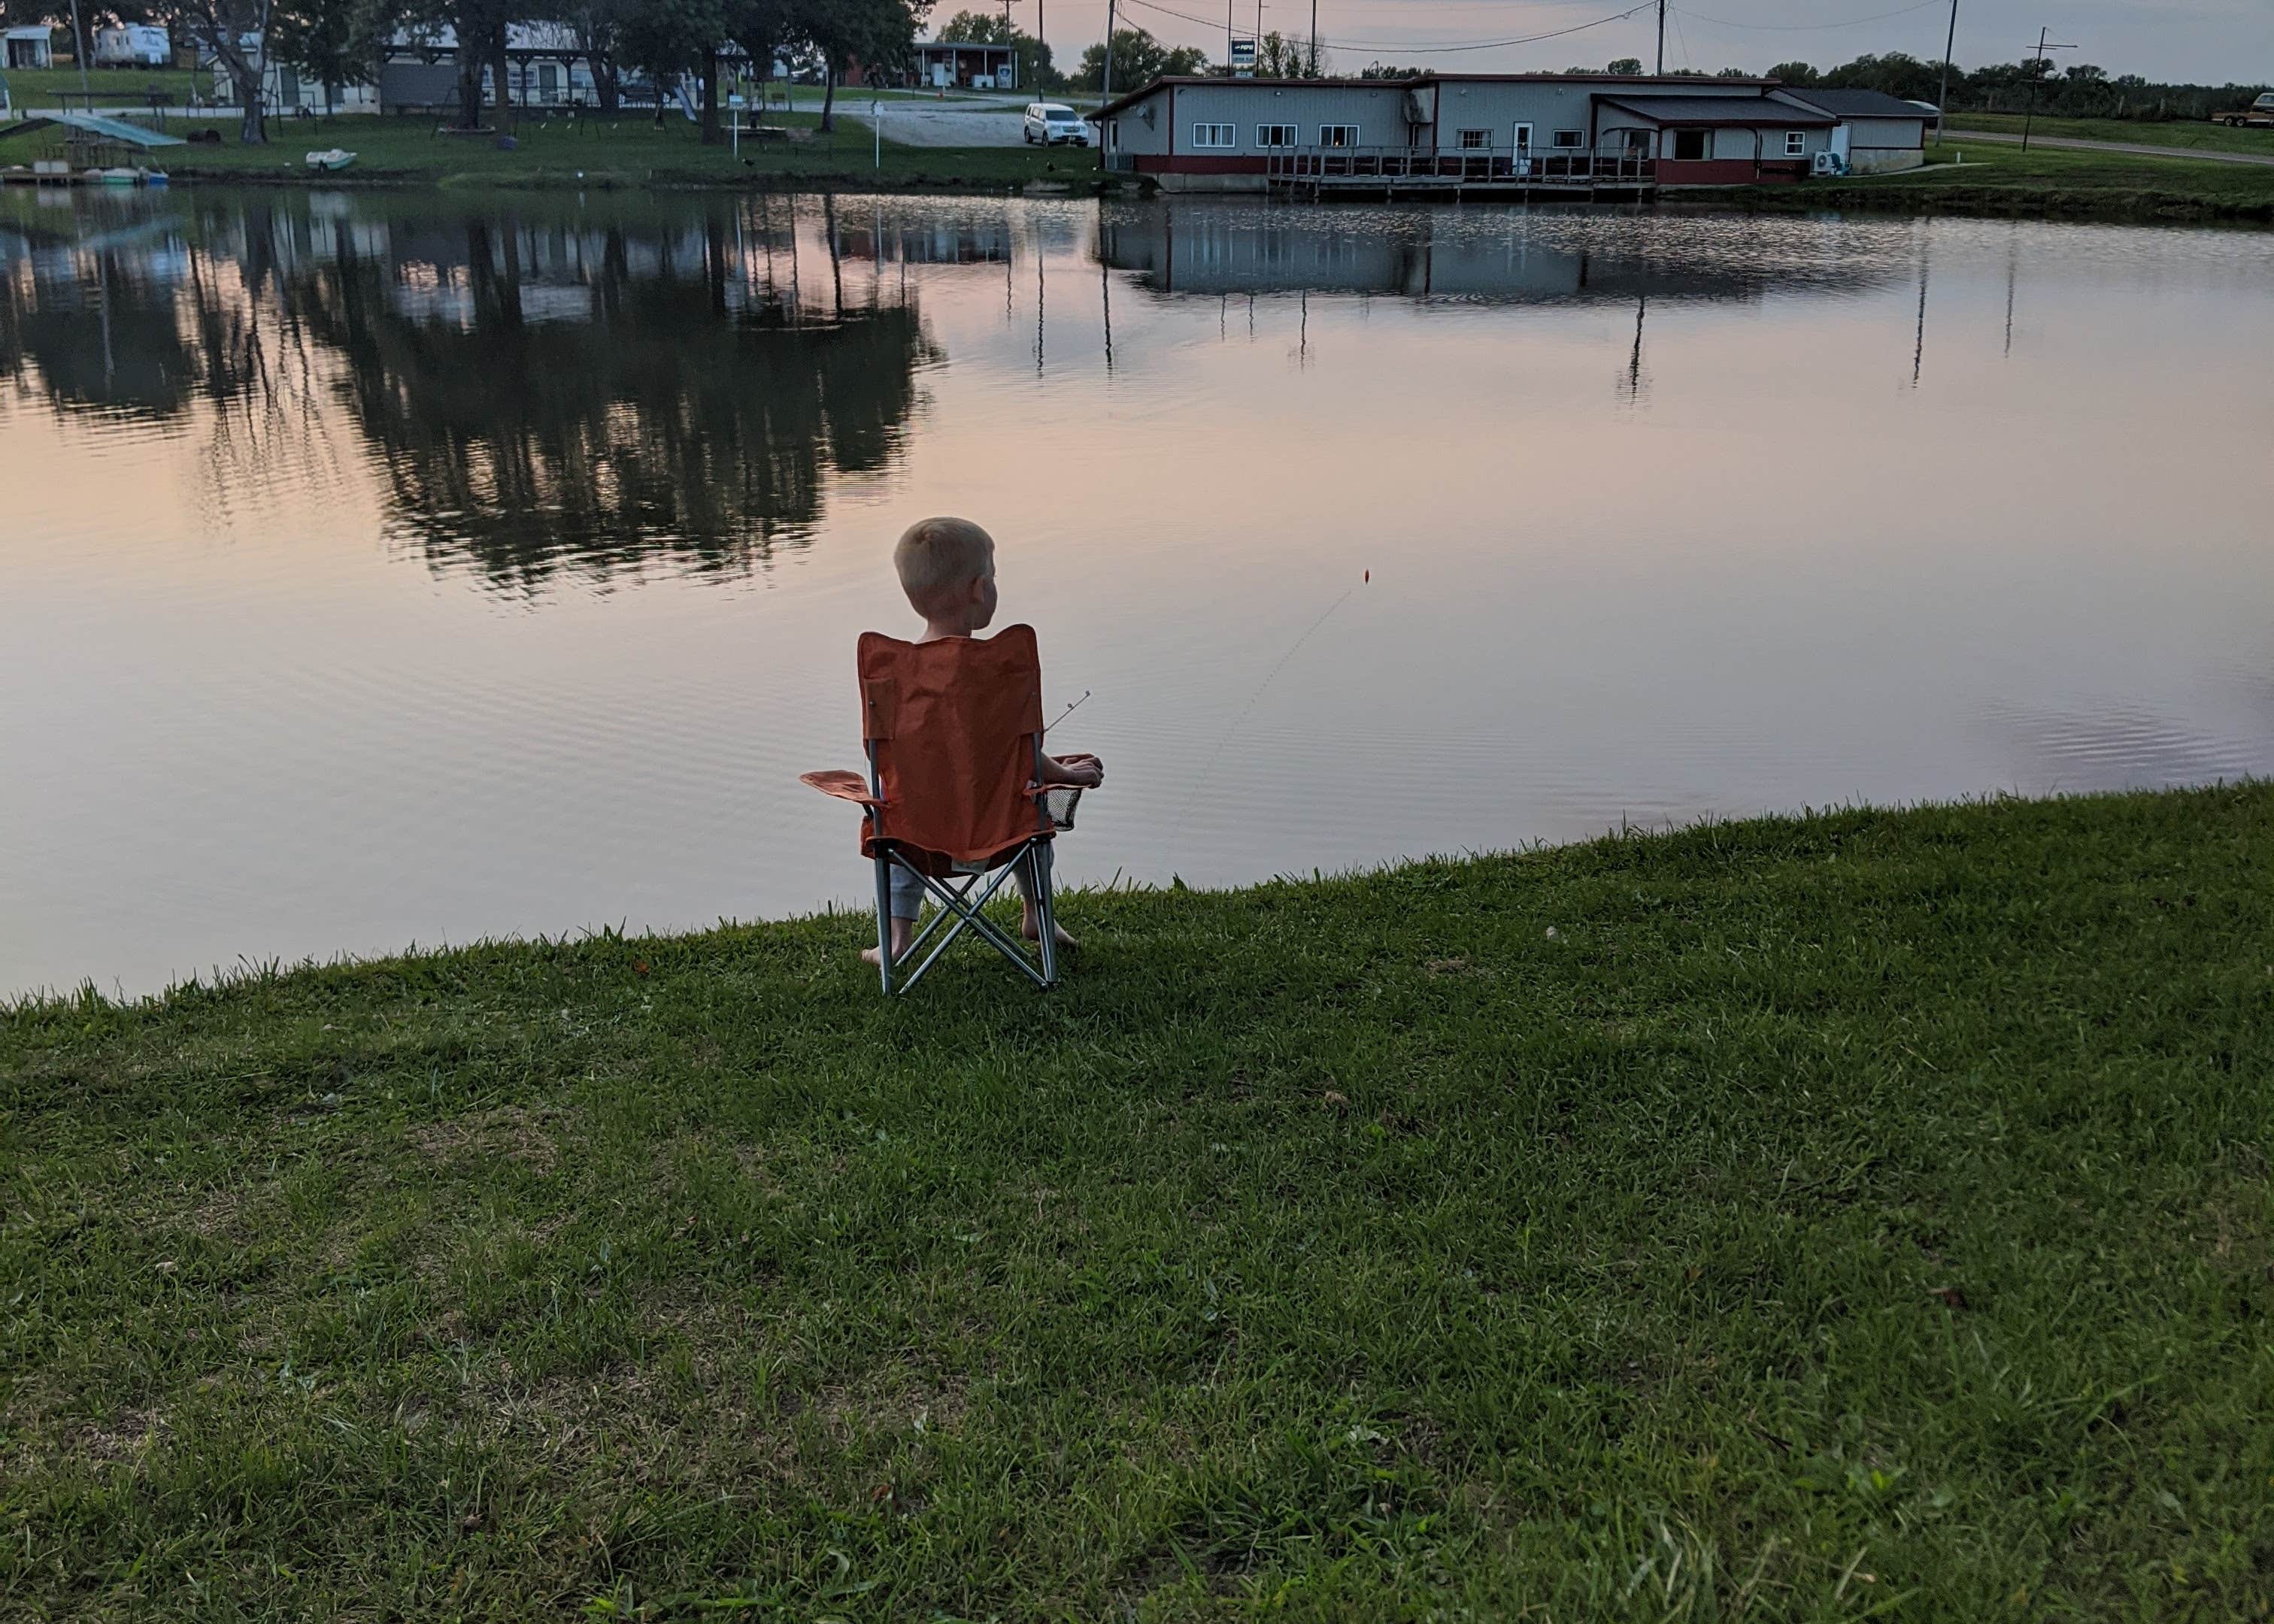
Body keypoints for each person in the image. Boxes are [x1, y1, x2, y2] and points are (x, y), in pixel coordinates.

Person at [863, 517, 1104, 968]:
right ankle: (1037, 913)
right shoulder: (998, 672)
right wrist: (1069, 774)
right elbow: (1025, 759)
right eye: (993, 577)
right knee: (1030, 808)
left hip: (918, 837)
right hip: (1001, 832)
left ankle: (896, 938)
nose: (995, 586)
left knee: (893, 816)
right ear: (978, 589)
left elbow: (883, 762)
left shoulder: (897, 677)